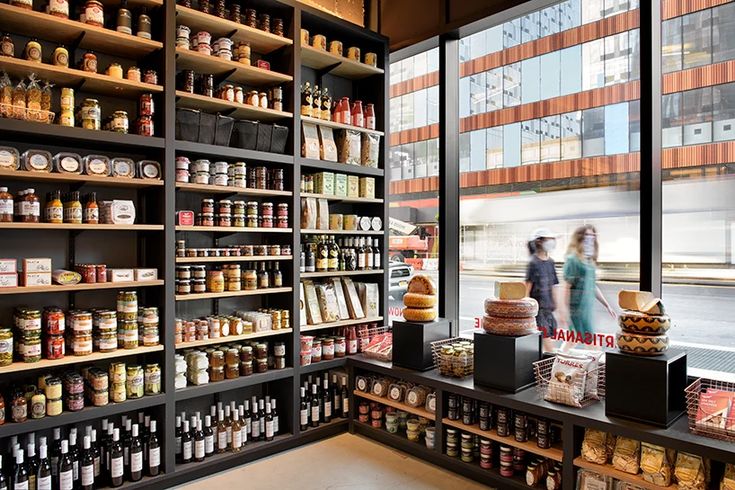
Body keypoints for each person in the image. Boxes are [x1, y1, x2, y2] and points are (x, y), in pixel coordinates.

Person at [561, 225, 615, 346]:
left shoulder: (589, 261)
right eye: (588, 236)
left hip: (587, 308)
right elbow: (566, 287)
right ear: (580, 238)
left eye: (592, 236)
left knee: (574, 340)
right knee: (580, 340)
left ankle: (560, 362)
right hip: (577, 308)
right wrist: (563, 310)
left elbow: (592, 285)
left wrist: (607, 305)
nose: (591, 239)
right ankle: (562, 362)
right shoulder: (573, 260)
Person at [525, 228, 560, 351]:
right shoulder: (533, 263)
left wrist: (557, 306)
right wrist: (527, 311)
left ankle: (543, 364)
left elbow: (554, 285)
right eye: (549, 239)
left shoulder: (550, 262)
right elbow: (527, 289)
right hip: (538, 309)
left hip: (548, 309)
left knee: (546, 340)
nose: (552, 242)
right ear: (539, 241)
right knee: (548, 344)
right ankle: (552, 367)